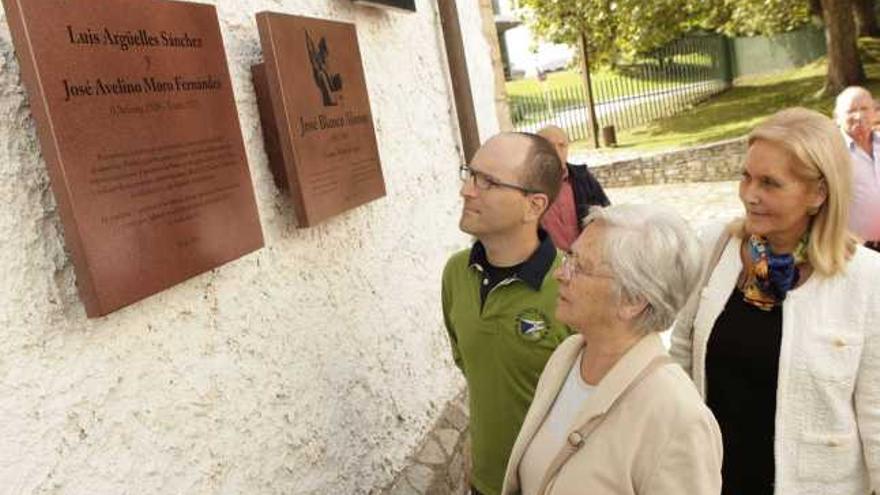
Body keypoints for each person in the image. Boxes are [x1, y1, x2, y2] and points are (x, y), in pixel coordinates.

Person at [670, 107, 880, 494]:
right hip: (713, 482)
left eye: (770, 183)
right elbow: (680, 355)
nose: (750, 194)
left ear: (818, 193)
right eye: (746, 176)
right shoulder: (716, 247)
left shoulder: (867, 279)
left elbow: (876, 413)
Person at [501, 204, 723, 495]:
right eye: (570, 256)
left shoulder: (677, 417)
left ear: (633, 300)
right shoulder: (568, 355)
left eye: (580, 266)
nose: (560, 274)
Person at [442, 132, 572, 495]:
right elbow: (472, 365)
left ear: (534, 206)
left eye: (488, 182)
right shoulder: (456, 274)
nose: (467, 191)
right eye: (470, 174)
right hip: (485, 483)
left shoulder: (572, 288)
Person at [537, 126, 610, 251]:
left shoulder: (582, 177)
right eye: (549, 145)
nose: (556, 150)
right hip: (549, 262)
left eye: (562, 145)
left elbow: (606, 214)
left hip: (585, 256)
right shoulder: (527, 184)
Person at [834, 86, 880, 252]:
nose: (859, 116)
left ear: (875, 112)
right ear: (837, 118)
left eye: (864, 109)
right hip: (858, 249)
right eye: (851, 111)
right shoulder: (831, 153)